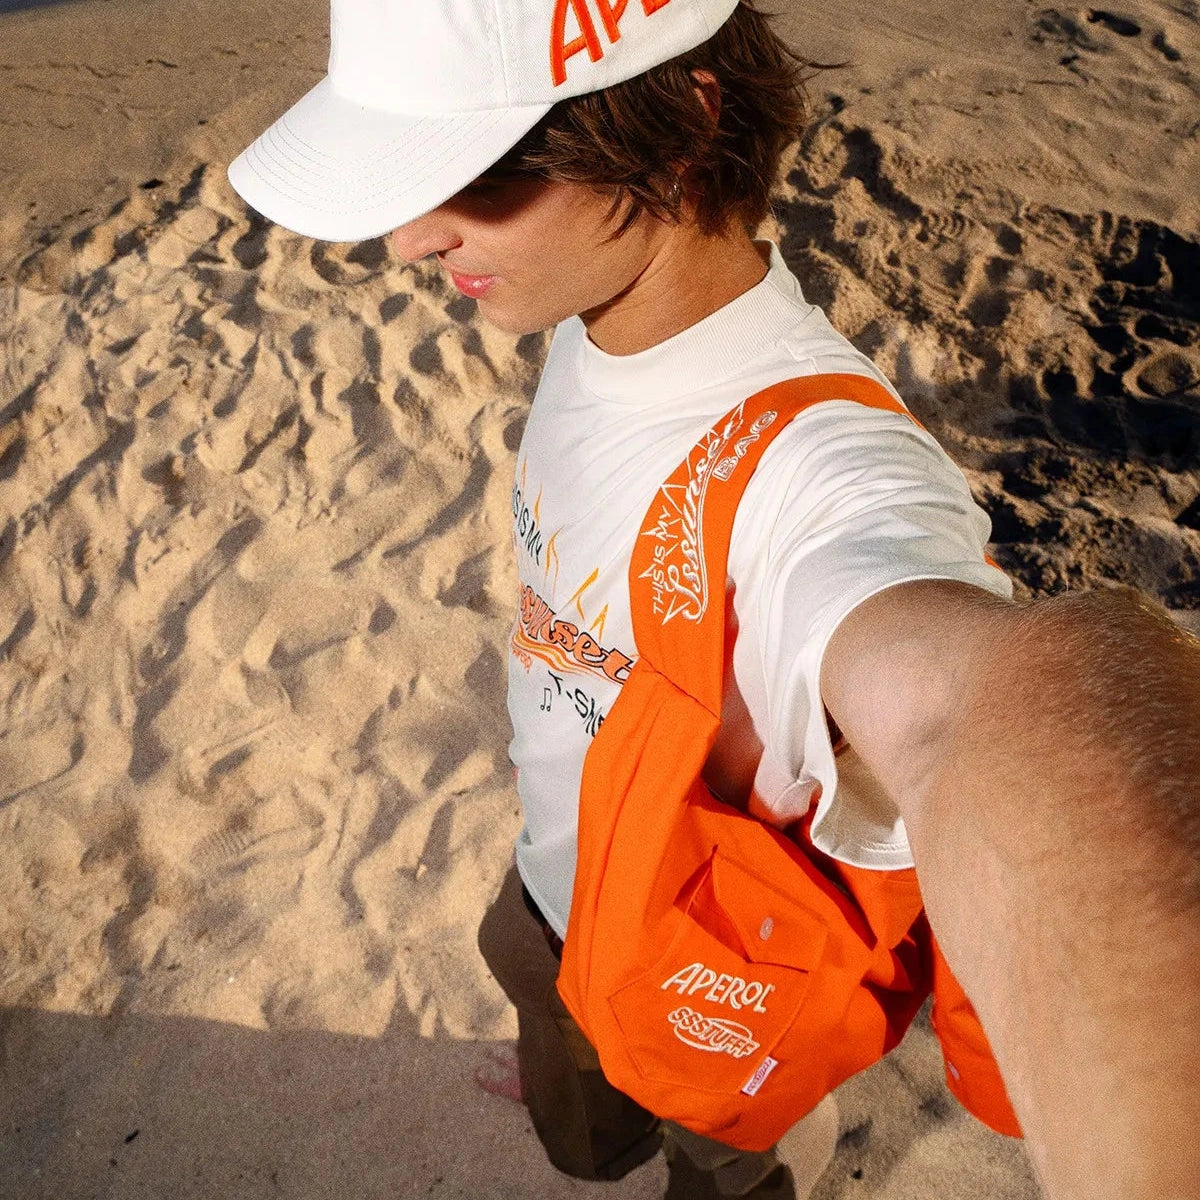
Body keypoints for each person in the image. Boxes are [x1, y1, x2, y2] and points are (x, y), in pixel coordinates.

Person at [228, 2, 1200, 1198]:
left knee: (728, 1159)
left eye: (474, 173)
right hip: (556, 885)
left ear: (673, 128)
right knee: (559, 1057)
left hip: (708, 966)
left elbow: (967, 702)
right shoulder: (603, 310)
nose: (410, 241)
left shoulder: (818, 468)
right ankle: (598, 1124)